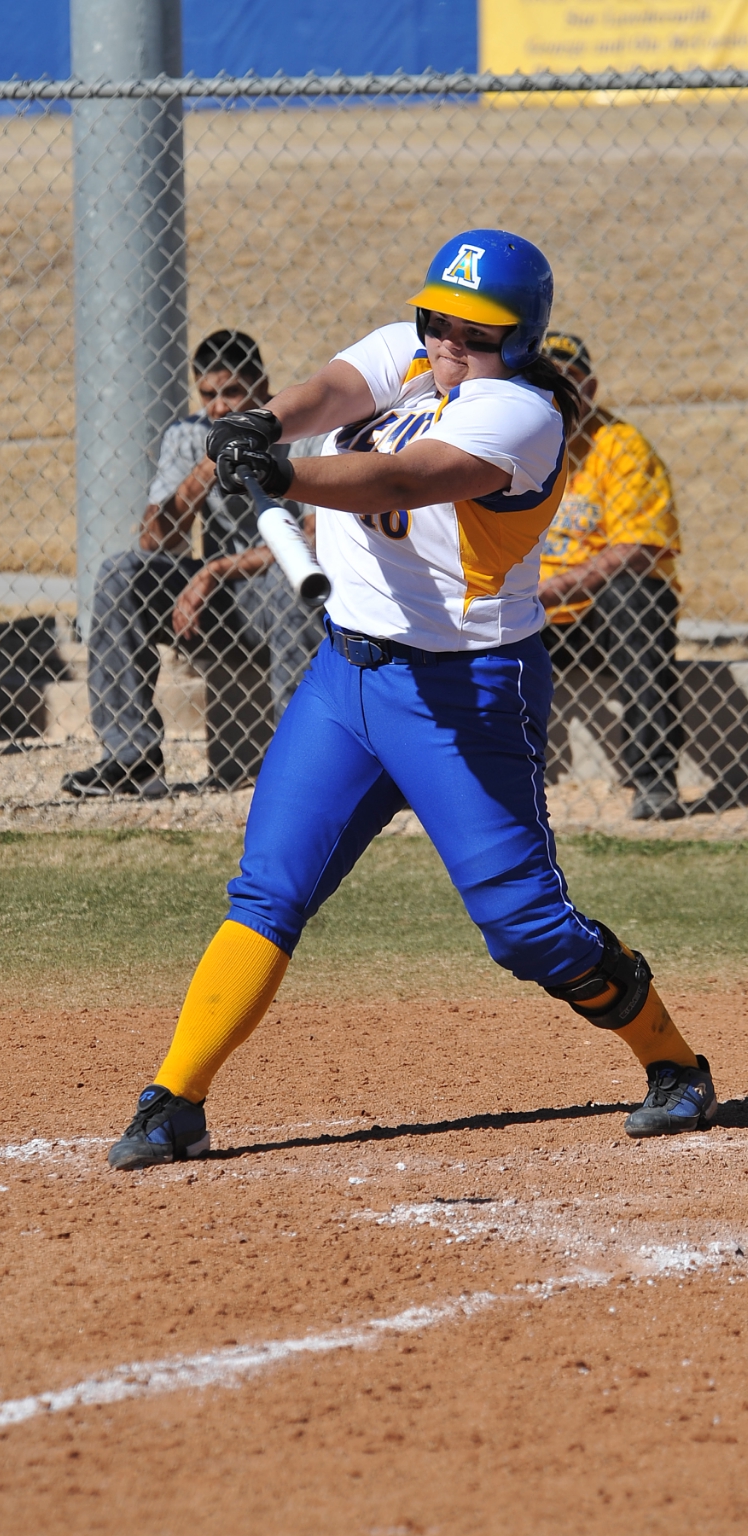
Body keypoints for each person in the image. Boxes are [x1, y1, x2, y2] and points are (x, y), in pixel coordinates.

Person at [105, 229, 718, 1169]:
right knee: (270, 888)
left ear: (518, 342)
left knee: (526, 929)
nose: (444, 342)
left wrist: (287, 472)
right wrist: (262, 426)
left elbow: (399, 477)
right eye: (438, 319)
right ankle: (174, 1098)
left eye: (473, 332)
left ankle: (674, 1064)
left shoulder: (522, 416)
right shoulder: (417, 349)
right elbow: (336, 390)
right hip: (345, 682)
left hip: (463, 691)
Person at [62, 331, 324, 797]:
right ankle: (130, 759)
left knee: (290, 588)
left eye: (232, 393)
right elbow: (154, 540)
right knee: (121, 574)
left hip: (279, 591)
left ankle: (305, 767)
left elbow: (312, 544)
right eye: (208, 395)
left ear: (263, 387)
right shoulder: (189, 435)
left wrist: (215, 570)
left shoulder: (304, 435)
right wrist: (204, 469)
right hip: (218, 601)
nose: (219, 407)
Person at [537, 333, 683, 820]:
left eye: (569, 382)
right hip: (521, 612)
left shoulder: (619, 445)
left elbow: (640, 547)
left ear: (591, 389)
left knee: (633, 595)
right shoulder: (508, 442)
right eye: (545, 379)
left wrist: (550, 589)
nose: (556, 392)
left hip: (596, 618)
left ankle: (653, 779)